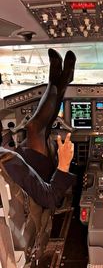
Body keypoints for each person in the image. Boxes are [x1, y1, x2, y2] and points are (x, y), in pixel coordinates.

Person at [15, 48, 76, 182]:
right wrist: (64, 164)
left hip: (16, 164)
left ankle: (60, 80)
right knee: (34, 127)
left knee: (43, 129)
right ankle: (59, 80)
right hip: (35, 181)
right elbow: (51, 197)